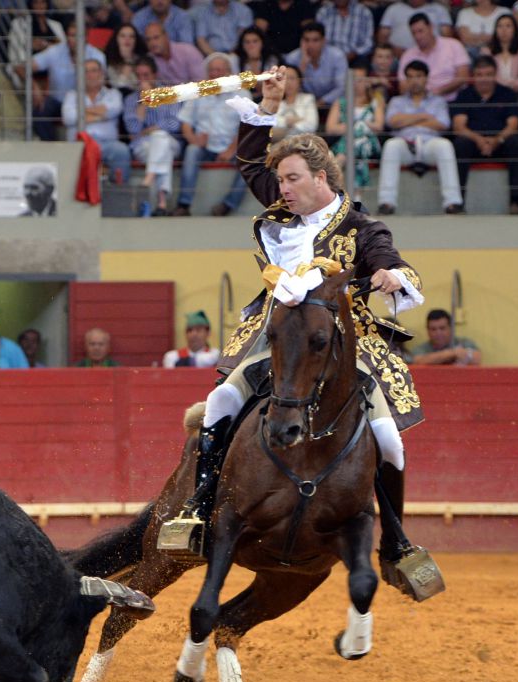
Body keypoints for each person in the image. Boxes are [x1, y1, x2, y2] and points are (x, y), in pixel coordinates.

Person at [168, 65, 436, 590]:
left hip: (342, 343)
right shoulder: (282, 212)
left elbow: (392, 261)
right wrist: (268, 105)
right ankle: (197, 509)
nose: (282, 188)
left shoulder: (362, 227)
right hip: (275, 333)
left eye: (291, 179)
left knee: (390, 441)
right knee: (219, 402)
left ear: (321, 179)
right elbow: (250, 161)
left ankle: (397, 544)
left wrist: (391, 275)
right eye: (280, 180)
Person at [377, 60, 464, 215]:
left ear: (426, 78)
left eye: (418, 76)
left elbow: (442, 124)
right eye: (410, 77)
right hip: (405, 144)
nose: (414, 81)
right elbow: (392, 121)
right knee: (391, 145)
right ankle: (386, 202)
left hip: (430, 144)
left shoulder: (438, 101)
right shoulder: (397, 101)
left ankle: (453, 202)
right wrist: (424, 116)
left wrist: (407, 120)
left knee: (445, 145)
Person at [450, 55, 518, 215]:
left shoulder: (507, 94)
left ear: (495, 74)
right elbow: (459, 127)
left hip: (501, 142)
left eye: (488, 74)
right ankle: (457, 202)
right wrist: (478, 139)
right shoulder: (464, 95)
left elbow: (513, 125)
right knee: (460, 144)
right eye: (479, 75)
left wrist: (497, 140)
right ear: (473, 76)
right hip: (473, 143)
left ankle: (516, 201)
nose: (484, 79)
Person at [173, 53, 249, 217]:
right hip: (205, 147)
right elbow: (185, 122)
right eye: (213, 70)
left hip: (233, 147)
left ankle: (228, 205)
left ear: (229, 72)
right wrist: (193, 140)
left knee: (251, 159)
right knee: (191, 150)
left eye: (220, 70)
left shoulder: (242, 94)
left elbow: (247, 127)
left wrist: (231, 149)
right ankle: (184, 204)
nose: (216, 74)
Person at [14, 19, 106, 141]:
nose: (73, 40)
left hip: (85, 102)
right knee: (40, 110)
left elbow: (101, 84)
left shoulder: (97, 56)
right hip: (58, 101)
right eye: (71, 35)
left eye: (77, 36)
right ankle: (50, 146)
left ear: (86, 37)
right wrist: (34, 87)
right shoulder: (55, 51)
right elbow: (20, 68)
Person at [124, 55, 183, 217]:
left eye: (146, 75)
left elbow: (175, 124)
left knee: (160, 137)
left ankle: (148, 180)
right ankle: (161, 202)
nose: (142, 80)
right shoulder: (131, 100)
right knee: (163, 149)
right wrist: (144, 102)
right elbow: (133, 129)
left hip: (170, 141)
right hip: (143, 146)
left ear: (155, 75)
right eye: (139, 76)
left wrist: (151, 129)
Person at [61, 58, 131, 183]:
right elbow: (68, 117)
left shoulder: (113, 94)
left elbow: (113, 110)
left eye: (94, 70)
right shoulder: (71, 95)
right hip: (79, 144)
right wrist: (101, 116)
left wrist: (82, 112)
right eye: (86, 71)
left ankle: (119, 189)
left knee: (122, 151)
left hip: (107, 144)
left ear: (101, 74)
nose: (90, 75)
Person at [325, 69, 384, 195]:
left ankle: (338, 162)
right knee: (354, 142)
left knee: (358, 136)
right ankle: (357, 196)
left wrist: (359, 125)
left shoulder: (375, 102)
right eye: (354, 80)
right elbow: (330, 128)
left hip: (369, 143)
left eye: (360, 80)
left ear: (367, 82)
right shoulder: (340, 102)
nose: (357, 83)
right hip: (347, 142)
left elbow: (379, 126)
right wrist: (353, 127)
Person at [398, 14, 471, 102]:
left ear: (431, 27)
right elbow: (403, 87)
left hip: (453, 101)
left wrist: (437, 92)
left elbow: (463, 77)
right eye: (414, 33)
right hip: (421, 103)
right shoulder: (408, 55)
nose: (417, 36)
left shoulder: (453, 45)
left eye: (420, 31)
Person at [285, 21, 349, 106]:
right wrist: (303, 65)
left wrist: (320, 102)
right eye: (306, 40)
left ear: (323, 41)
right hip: (302, 106)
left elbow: (342, 87)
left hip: (331, 105)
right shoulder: (292, 58)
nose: (310, 44)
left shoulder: (337, 56)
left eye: (315, 40)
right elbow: (289, 89)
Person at [142, 21, 205, 89]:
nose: (152, 43)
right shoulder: (149, 60)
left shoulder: (188, 52)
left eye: (156, 37)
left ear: (166, 36)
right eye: (148, 40)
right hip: (168, 94)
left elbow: (201, 83)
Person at [377, 0, 453, 54]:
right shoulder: (393, 9)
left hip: (433, 54)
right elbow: (382, 36)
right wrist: (393, 50)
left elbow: (447, 36)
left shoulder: (439, 10)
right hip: (396, 56)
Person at [409, 309, 482, 365]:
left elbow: (477, 358)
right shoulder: (421, 349)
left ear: (451, 328)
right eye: (433, 329)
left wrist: (435, 359)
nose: (438, 333)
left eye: (442, 328)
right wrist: (452, 353)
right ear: (427, 330)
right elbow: (418, 361)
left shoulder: (464, 342)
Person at [250, 0, 317, 59]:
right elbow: (259, 33)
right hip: (271, 54)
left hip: (297, 53)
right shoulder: (266, 5)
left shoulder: (303, 4)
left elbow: (309, 31)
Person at [317, 0, 375, 66]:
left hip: (355, 57)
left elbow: (368, 43)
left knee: (363, 62)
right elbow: (317, 38)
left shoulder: (364, 12)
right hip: (328, 57)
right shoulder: (324, 12)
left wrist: (355, 53)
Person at [482, 14, 518, 96]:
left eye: (508, 26)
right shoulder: (486, 51)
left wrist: (514, 86)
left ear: (515, 29)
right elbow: (489, 75)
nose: (504, 30)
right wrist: (505, 88)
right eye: (500, 26)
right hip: (495, 92)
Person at [270, 64, 318, 140]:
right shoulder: (276, 102)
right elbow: (270, 124)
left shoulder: (308, 99)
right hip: (280, 143)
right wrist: (290, 121)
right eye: (285, 79)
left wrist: (285, 128)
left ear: (300, 81)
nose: (288, 82)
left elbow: (311, 125)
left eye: (292, 78)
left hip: (303, 142)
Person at [103, 22, 146, 95]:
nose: (127, 39)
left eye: (131, 36)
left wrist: (129, 59)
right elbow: (118, 88)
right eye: (123, 36)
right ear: (116, 39)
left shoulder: (143, 60)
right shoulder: (108, 61)